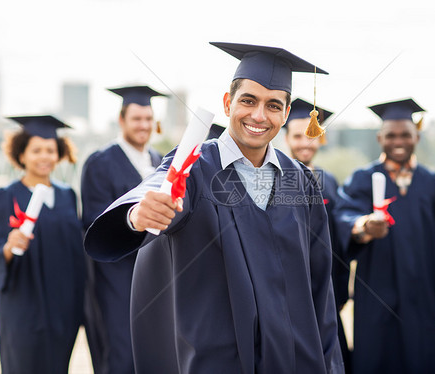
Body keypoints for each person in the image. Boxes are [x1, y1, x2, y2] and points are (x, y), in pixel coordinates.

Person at [84, 42, 344, 373]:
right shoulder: (195, 165)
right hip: (218, 360)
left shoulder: (302, 182)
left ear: (286, 112)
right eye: (248, 101)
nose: (259, 115)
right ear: (227, 102)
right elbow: (159, 187)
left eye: (273, 105)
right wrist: (137, 214)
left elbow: (321, 290)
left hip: (292, 360)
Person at [334, 98, 435, 374]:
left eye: (405, 134)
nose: (398, 141)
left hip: (424, 291)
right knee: (380, 357)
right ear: (380, 138)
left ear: (417, 136)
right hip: (378, 289)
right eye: (391, 135)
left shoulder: (432, 182)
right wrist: (364, 226)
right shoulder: (362, 178)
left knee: (422, 356)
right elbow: (344, 216)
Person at [0, 115, 85, 373]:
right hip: (22, 307)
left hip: (63, 308)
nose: (45, 157)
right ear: (22, 155)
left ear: (59, 153)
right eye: (36, 150)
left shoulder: (67, 195)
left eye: (50, 150)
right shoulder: (5, 197)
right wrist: (9, 246)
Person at [81, 85, 166, 373]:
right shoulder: (100, 162)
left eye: (148, 119)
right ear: (121, 120)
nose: (143, 125)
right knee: (121, 354)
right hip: (115, 277)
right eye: (136, 119)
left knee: (152, 351)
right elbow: (93, 221)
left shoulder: (158, 161)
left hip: (155, 275)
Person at [284, 98, 351, 373]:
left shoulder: (329, 181)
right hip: (289, 294)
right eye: (297, 136)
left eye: (310, 135)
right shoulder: (274, 178)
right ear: (286, 137)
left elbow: (338, 235)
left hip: (325, 292)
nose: (304, 143)